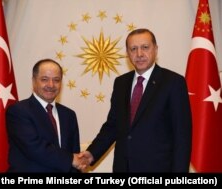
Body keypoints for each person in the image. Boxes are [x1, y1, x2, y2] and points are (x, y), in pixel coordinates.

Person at [79, 28, 192, 172]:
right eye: (133, 49)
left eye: (145, 47)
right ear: (127, 53)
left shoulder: (173, 82)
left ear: (156, 50)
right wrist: (91, 154)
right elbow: (113, 126)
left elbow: (182, 136)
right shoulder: (120, 83)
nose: (139, 54)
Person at [6, 58, 83, 172]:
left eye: (56, 80)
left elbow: (75, 156)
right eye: (44, 79)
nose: (51, 85)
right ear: (34, 81)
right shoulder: (18, 111)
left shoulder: (69, 115)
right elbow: (34, 148)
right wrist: (71, 159)